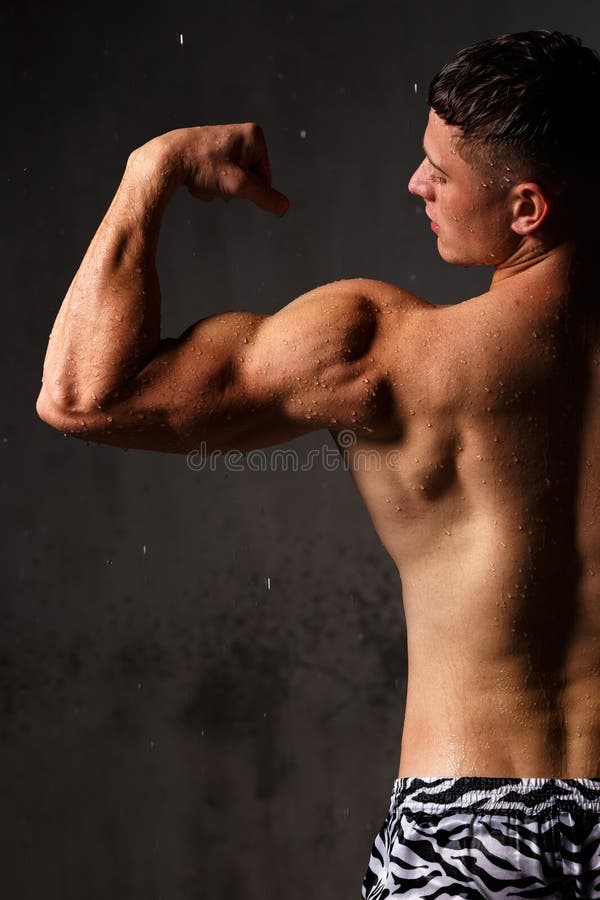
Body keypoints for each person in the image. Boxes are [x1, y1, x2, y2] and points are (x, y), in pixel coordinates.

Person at [36, 28, 600, 898]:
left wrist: (153, 170)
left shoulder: (384, 353)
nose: (416, 183)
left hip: (467, 833)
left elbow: (81, 397)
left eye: (439, 173)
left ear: (527, 208)